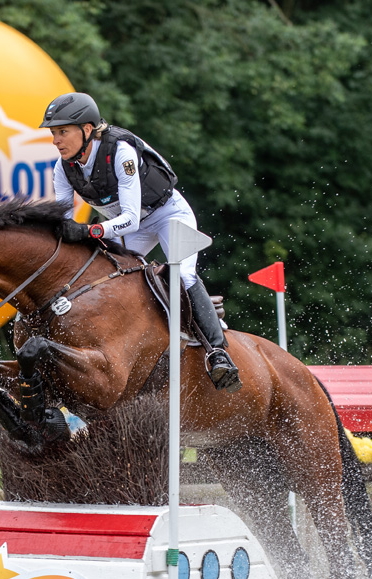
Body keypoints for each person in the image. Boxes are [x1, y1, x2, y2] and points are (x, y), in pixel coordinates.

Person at [39, 92, 241, 392]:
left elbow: (131, 219)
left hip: (168, 215)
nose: (56, 141)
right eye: (54, 133)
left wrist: (90, 232)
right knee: (111, 277)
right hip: (129, 226)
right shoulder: (63, 167)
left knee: (183, 274)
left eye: (62, 132)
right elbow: (64, 220)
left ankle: (218, 352)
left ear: (87, 129)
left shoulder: (120, 151)